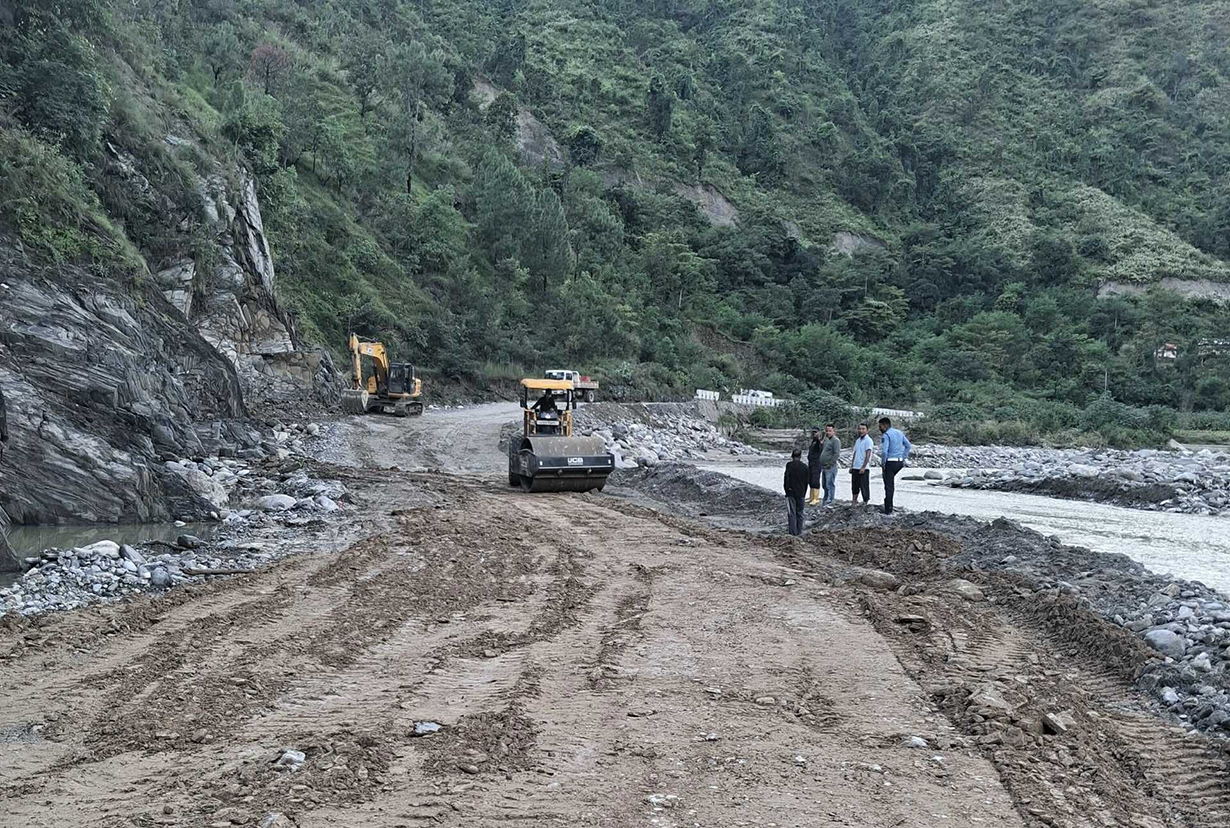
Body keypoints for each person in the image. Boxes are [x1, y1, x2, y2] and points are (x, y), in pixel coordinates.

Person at [877, 416, 912, 515]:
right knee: (890, 483)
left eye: (880, 426)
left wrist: (883, 463)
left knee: (888, 486)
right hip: (899, 462)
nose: (880, 429)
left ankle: (888, 509)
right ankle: (888, 505)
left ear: (885, 425)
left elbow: (884, 451)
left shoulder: (886, 435)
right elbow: (908, 446)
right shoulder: (899, 433)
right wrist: (903, 457)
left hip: (890, 462)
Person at [784, 448, 809, 536]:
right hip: (801, 492)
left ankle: (792, 532)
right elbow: (807, 481)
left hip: (791, 492)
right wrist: (804, 492)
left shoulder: (789, 465)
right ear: (800, 456)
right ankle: (799, 531)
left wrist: (787, 490)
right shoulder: (805, 467)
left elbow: (787, 479)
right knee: (800, 513)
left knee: (792, 513)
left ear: (792, 456)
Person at [850, 422, 873, 504]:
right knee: (854, 486)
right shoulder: (858, 441)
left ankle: (865, 502)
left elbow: (868, 454)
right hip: (855, 467)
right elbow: (855, 453)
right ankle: (854, 501)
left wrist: (863, 467)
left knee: (864, 486)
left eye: (863, 429)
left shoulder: (868, 440)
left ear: (867, 430)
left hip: (864, 468)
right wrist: (852, 465)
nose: (861, 431)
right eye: (859, 429)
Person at [818, 423, 841, 506]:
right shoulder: (826, 440)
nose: (828, 432)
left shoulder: (836, 441)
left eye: (830, 431)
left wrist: (830, 463)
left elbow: (836, 453)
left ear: (834, 431)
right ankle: (825, 499)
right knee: (824, 484)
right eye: (827, 431)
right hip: (823, 466)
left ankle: (830, 500)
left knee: (830, 484)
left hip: (830, 466)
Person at [806, 426, 823, 505]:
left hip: (817, 463)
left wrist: (819, 439)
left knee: (815, 480)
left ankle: (816, 498)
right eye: (813, 432)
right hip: (811, 463)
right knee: (810, 479)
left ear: (819, 432)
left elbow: (821, 448)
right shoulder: (813, 441)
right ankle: (811, 497)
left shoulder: (819, 441)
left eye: (815, 432)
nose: (813, 434)